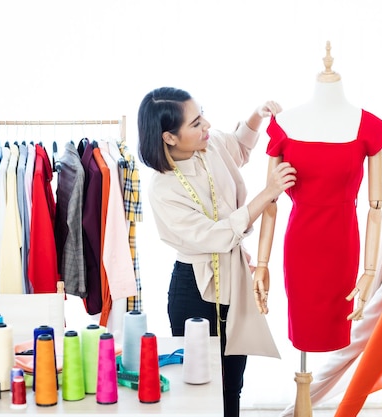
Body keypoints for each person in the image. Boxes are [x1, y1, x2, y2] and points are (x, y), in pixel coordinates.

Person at [137, 86, 296, 417]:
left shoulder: (209, 147)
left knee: (232, 384)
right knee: (199, 388)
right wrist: (268, 193)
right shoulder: (163, 189)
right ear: (169, 138)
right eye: (195, 123)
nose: (206, 125)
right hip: (195, 289)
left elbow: (238, 145)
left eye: (202, 113)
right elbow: (215, 235)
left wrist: (256, 115)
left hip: (234, 278)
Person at [253, 43, 382, 354]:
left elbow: (376, 207)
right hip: (300, 248)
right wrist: (262, 263)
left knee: (335, 331)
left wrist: (370, 271)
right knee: (303, 334)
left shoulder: (368, 127)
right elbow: (270, 200)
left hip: (342, 249)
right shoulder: (285, 125)